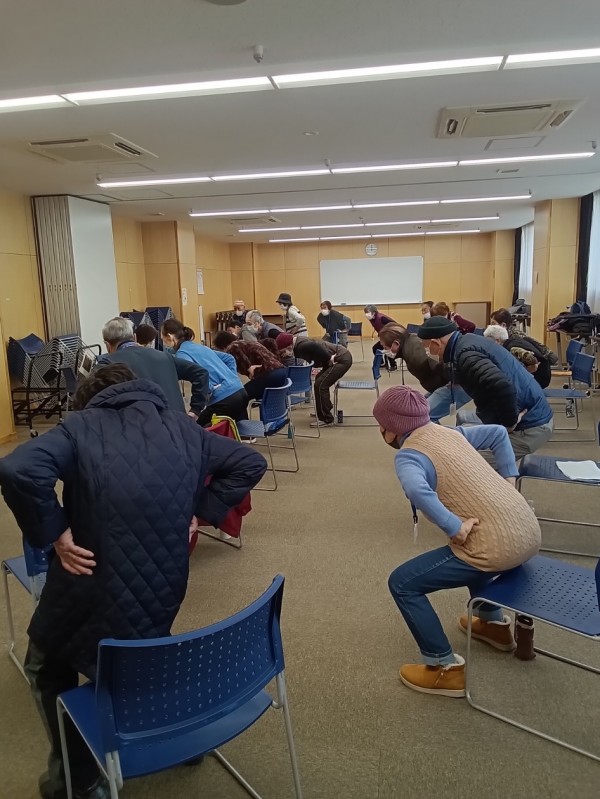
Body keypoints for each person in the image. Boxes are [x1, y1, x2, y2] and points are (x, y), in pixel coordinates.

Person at [0, 364, 267, 799]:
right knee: (143, 648)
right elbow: (250, 462)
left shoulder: (80, 426)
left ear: (90, 400)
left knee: (46, 666)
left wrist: (56, 532)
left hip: (87, 577)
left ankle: (76, 780)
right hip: (163, 581)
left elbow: (18, 469)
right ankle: (174, 734)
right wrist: (198, 511)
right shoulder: (184, 428)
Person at [372, 385, 540, 697]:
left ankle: (443, 668)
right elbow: (497, 434)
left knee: (403, 583)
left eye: (381, 425)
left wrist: (454, 527)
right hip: (528, 532)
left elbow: (416, 490)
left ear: (391, 430)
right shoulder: (450, 433)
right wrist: (509, 479)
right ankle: (492, 624)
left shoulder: (409, 456)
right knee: (474, 554)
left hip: (497, 547)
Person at [417, 316, 554, 460]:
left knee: (463, 464)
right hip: (530, 415)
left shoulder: (466, 355)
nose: (428, 352)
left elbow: (502, 385)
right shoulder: (467, 342)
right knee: (460, 449)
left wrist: (509, 423)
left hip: (530, 426)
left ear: (436, 343)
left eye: (427, 347)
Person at [98, 317, 209, 417]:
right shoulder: (165, 357)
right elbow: (200, 373)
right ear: (134, 337)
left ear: (107, 345)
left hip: (143, 429)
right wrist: (195, 410)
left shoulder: (107, 365)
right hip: (180, 426)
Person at [162, 319, 248, 427]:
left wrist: (211, 389)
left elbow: (199, 375)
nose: (163, 343)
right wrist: (232, 379)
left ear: (169, 337)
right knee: (229, 430)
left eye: (163, 339)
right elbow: (229, 358)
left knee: (194, 430)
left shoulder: (182, 354)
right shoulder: (199, 346)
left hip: (224, 400)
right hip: (240, 391)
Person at [377, 323, 460, 422]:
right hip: (446, 382)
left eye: (385, 347)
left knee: (421, 417)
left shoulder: (415, 356)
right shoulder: (411, 339)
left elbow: (440, 367)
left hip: (454, 383)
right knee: (420, 410)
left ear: (396, 344)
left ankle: (438, 432)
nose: (385, 350)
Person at [292, 338, 352, 427]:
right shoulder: (300, 343)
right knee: (319, 379)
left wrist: (329, 358)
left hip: (340, 359)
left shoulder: (302, 346)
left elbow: (318, 350)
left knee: (320, 385)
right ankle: (323, 410)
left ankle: (326, 418)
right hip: (338, 357)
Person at [484, 324, 551, 389]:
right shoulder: (514, 341)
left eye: (488, 341)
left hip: (537, 378)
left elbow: (528, 364)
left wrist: (528, 370)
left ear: (497, 341)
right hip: (542, 373)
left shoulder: (511, 348)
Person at [491, 307, 559, 365]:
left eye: (493, 324)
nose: (491, 326)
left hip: (542, 363)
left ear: (503, 325)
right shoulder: (510, 334)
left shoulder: (514, 338)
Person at [364, 304, 397, 377]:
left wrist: (388, 336)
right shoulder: (372, 319)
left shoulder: (382, 318)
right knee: (375, 348)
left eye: (368, 312)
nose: (366, 314)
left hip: (392, 336)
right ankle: (382, 363)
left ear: (374, 312)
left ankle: (393, 365)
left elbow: (394, 325)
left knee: (388, 349)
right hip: (384, 337)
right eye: (365, 312)